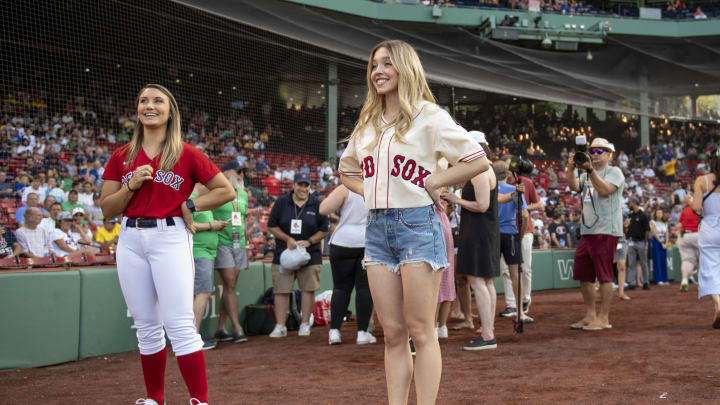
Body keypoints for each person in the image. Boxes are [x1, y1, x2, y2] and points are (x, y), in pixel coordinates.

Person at [338, 40, 489, 405]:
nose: (378, 71)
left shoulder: (430, 115)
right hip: (376, 228)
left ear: (406, 68)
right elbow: (346, 170)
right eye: (374, 64)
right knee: (392, 333)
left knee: (422, 332)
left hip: (418, 224)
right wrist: (372, 190)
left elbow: (477, 160)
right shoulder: (368, 121)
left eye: (387, 64)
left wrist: (436, 181)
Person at [99, 84, 234, 405]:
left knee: (179, 323)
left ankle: (199, 399)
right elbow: (107, 208)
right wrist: (131, 185)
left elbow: (224, 190)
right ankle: (154, 398)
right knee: (145, 325)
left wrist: (191, 204)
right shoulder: (122, 156)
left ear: (169, 110)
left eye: (158, 101)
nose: (150, 105)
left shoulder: (186, 153)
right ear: (137, 110)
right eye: (143, 100)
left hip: (170, 235)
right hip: (130, 237)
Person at [441, 132, 499, 350]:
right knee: (486, 282)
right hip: (484, 231)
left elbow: (482, 205)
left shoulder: (480, 171)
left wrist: (456, 199)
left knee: (478, 282)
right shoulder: (485, 169)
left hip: (479, 232)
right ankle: (487, 328)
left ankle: (487, 334)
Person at [566, 138, 624, 331]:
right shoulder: (586, 174)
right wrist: (571, 168)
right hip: (588, 230)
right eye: (593, 151)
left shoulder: (615, 172)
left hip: (606, 229)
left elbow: (606, 190)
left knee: (605, 276)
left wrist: (590, 170)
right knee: (584, 275)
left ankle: (604, 318)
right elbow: (574, 186)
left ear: (609, 154)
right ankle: (590, 314)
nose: (596, 154)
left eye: (600, 151)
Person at [267, 172, 329, 338]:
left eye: (306, 185)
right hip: (284, 252)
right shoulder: (281, 202)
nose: (303, 188)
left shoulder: (317, 203)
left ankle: (304, 323)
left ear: (310, 187)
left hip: (311, 253)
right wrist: (287, 238)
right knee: (281, 289)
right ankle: (280, 325)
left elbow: (324, 229)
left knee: (308, 289)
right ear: (293, 185)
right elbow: (271, 225)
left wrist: (309, 241)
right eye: (300, 185)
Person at [318, 184, 375, 345]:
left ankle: (334, 331)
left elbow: (323, 209)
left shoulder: (346, 188)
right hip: (367, 241)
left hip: (342, 241)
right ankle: (362, 333)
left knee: (341, 288)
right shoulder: (376, 184)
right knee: (364, 289)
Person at [211, 160, 250, 344]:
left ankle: (220, 328)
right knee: (230, 282)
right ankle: (237, 328)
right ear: (226, 173)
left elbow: (242, 218)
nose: (241, 175)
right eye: (238, 171)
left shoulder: (243, 193)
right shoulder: (215, 191)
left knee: (230, 287)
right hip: (222, 241)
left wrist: (246, 244)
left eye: (243, 172)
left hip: (239, 243)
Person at [499, 155, 542, 318]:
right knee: (507, 271)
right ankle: (511, 304)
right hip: (508, 231)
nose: (510, 171)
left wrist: (522, 205)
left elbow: (538, 204)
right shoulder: (501, 184)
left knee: (525, 269)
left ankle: (525, 300)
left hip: (525, 229)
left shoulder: (526, 182)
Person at [190, 183, 227, 351]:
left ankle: (192, 336)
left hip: (206, 253)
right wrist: (213, 226)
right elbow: (189, 225)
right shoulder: (191, 200)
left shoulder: (202, 202)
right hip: (199, 253)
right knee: (202, 292)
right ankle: (193, 338)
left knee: (199, 293)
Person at [495, 161, 532, 323]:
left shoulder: (490, 190)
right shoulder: (514, 190)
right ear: (507, 173)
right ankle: (520, 313)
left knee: (488, 278)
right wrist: (520, 236)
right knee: (516, 274)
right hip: (510, 234)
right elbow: (525, 216)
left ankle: (487, 319)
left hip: (493, 235)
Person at [690, 147, 720, 328]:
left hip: (710, 227)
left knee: (710, 269)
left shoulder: (702, 180)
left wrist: (688, 201)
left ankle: (718, 304)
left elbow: (696, 207)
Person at [626, 198, 651, 290]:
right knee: (631, 263)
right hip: (631, 241)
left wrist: (645, 241)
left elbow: (647, 230)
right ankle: (632, 283)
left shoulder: (643, 215)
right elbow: (626, 229)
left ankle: (645, 282)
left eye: (630, 203)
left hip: (641, 241)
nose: (628, 205)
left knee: (643, 263)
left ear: (634, 203)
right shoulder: (630, 216)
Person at [677, 194, 700, 292]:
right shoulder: (700, 208)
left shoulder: (685, 210)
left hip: (685, 236)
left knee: (687, 261)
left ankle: (684, 280)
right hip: (698, 235)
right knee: (703, 261)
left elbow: (680, 224)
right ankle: (704, 284)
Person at [649, 208, 669, 285]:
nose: (659, 214)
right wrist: (661, 242)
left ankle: (665, 279)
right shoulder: (652, 222)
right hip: (656, 241)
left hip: (664, 241)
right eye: (658, 213)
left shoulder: (665, 222)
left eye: (661, 213)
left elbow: (667, 233)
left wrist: (666, 243)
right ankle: (658, 279)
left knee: (663, 260)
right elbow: (654, 232)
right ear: (655, 214)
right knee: (657, 260)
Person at [614, 217, 631, 300]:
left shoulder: (620, 213)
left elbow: (625, 230)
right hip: (607, 239)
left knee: (622, 266)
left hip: (620, 240)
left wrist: (625, 226)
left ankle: (621, 292)